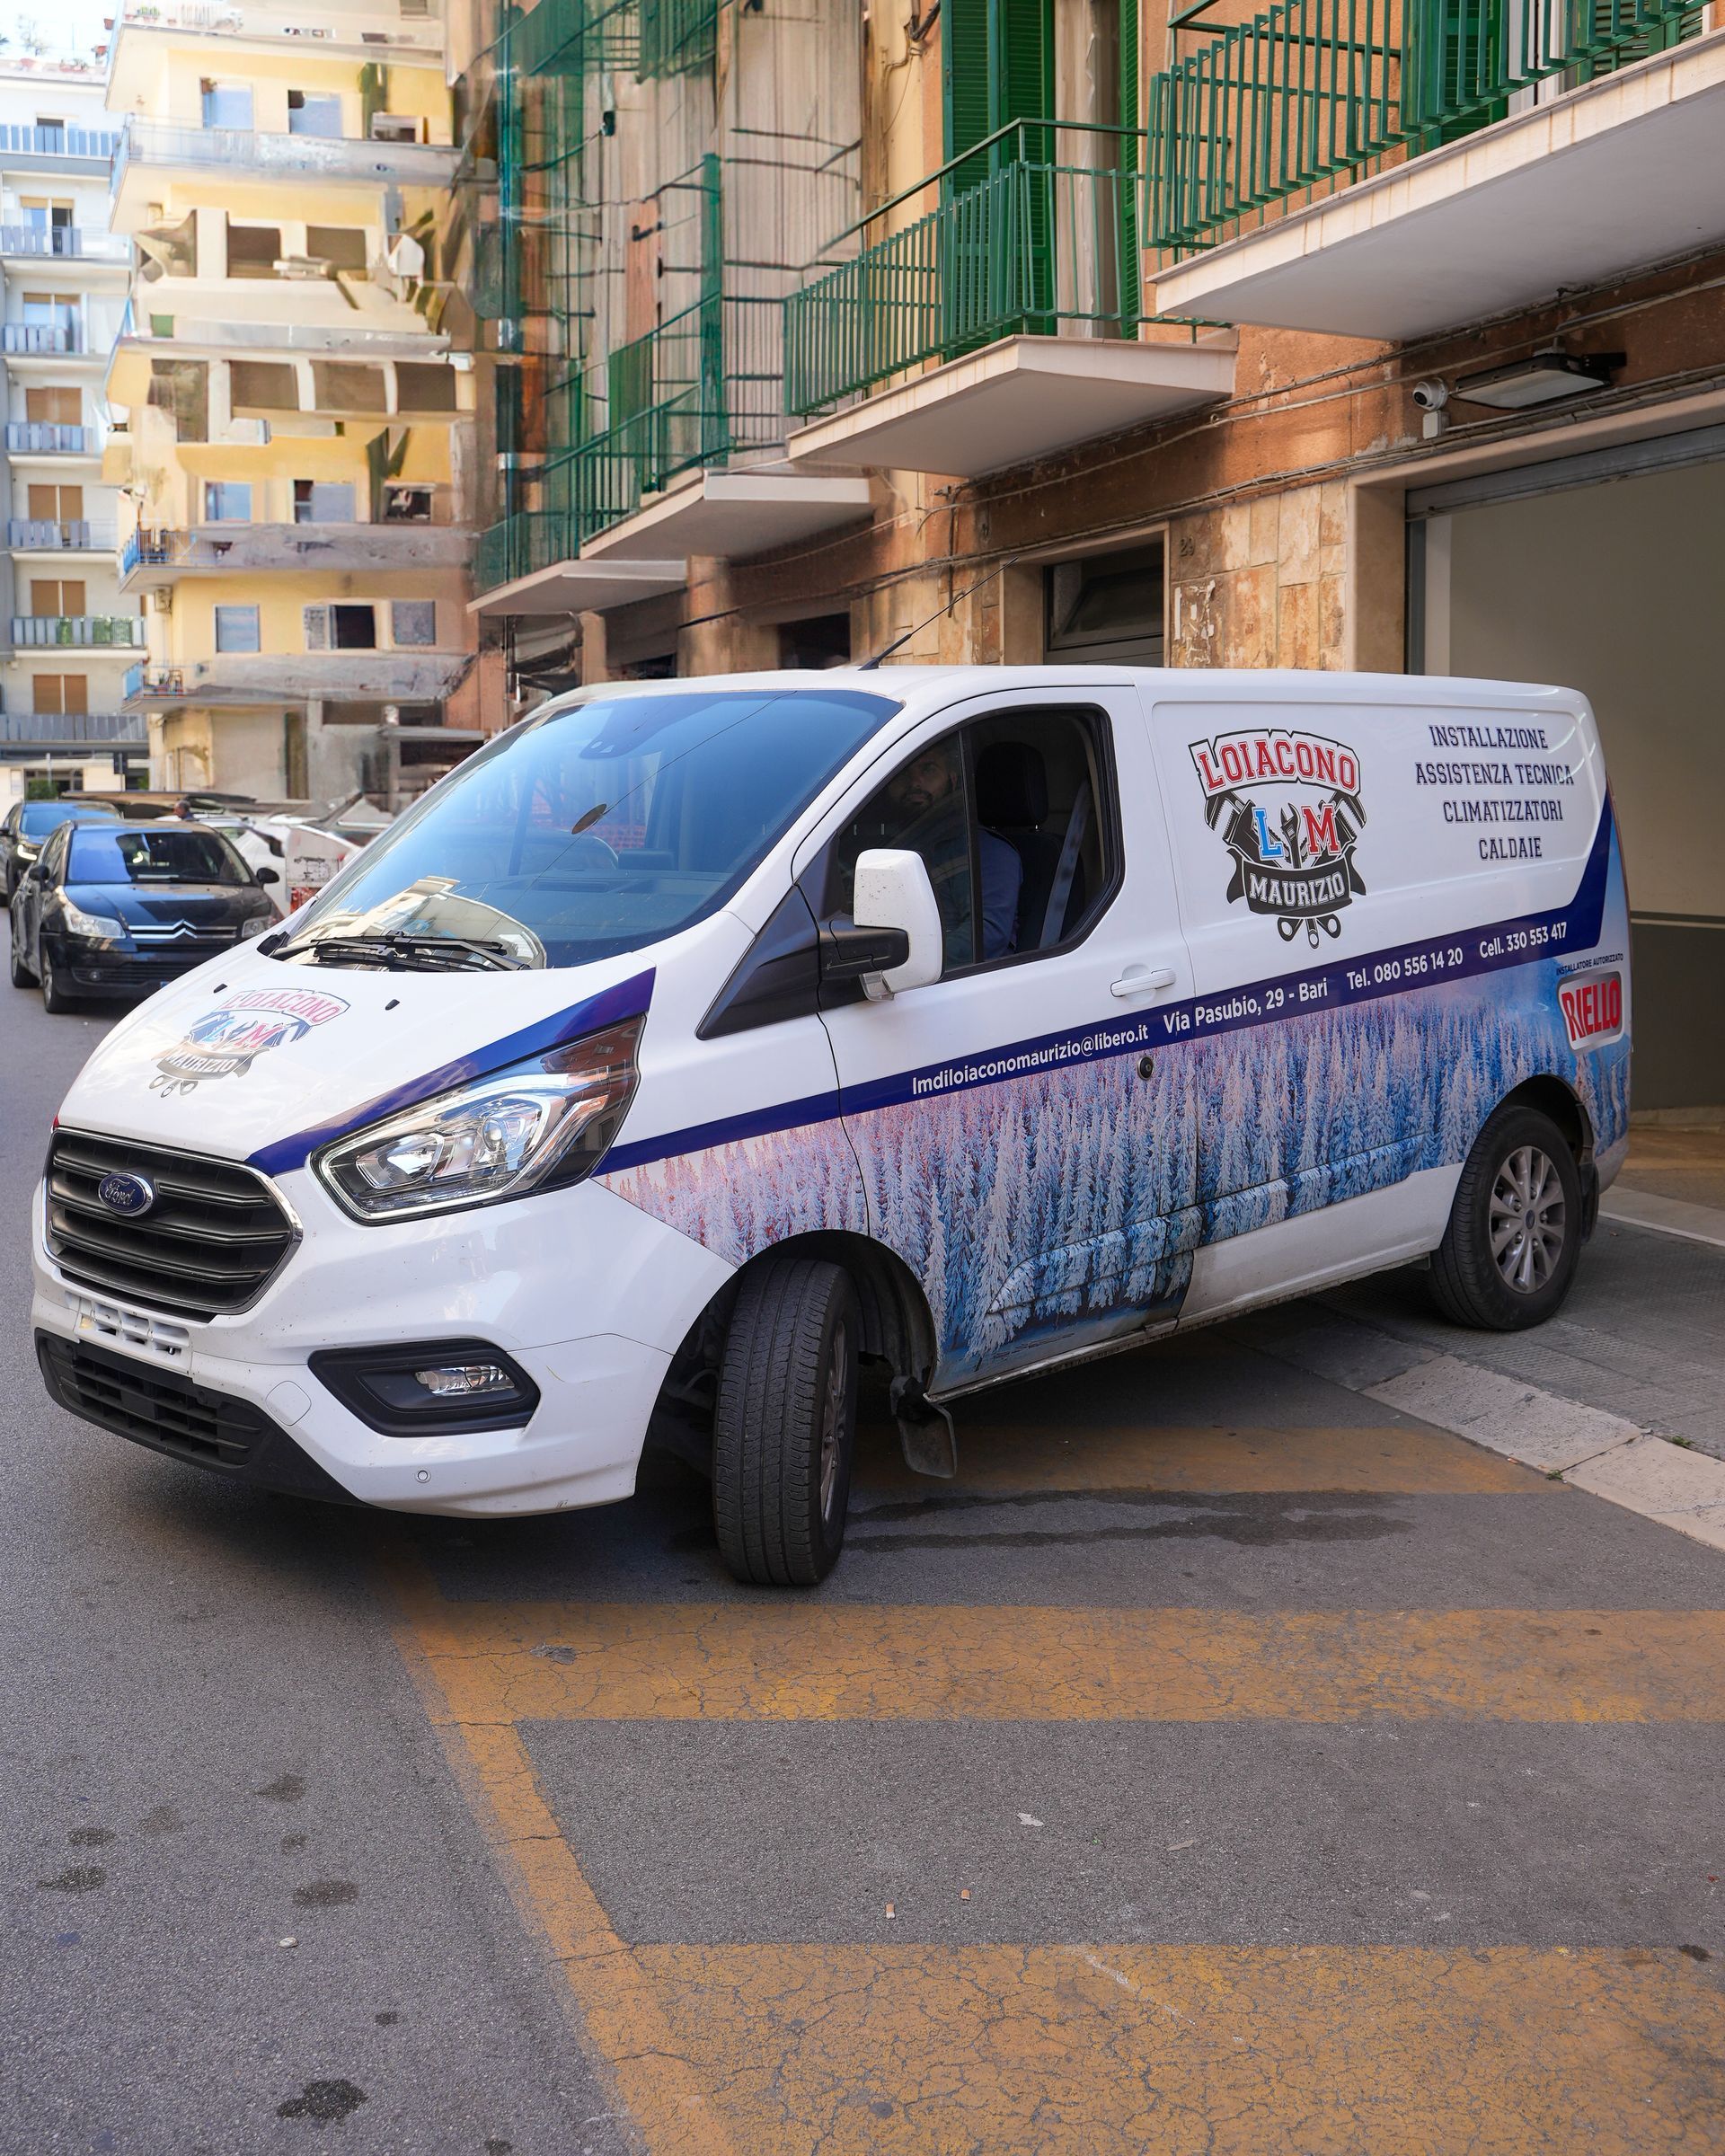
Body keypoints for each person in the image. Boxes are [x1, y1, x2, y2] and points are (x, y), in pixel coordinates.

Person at [876, 742, 1022, 967]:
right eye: (903, 773)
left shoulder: (984, 851)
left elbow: (984, 934)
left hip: (953, 988)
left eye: (928, 769)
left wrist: (904, 962)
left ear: (952, 780)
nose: (915, 782)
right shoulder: (887, 848)